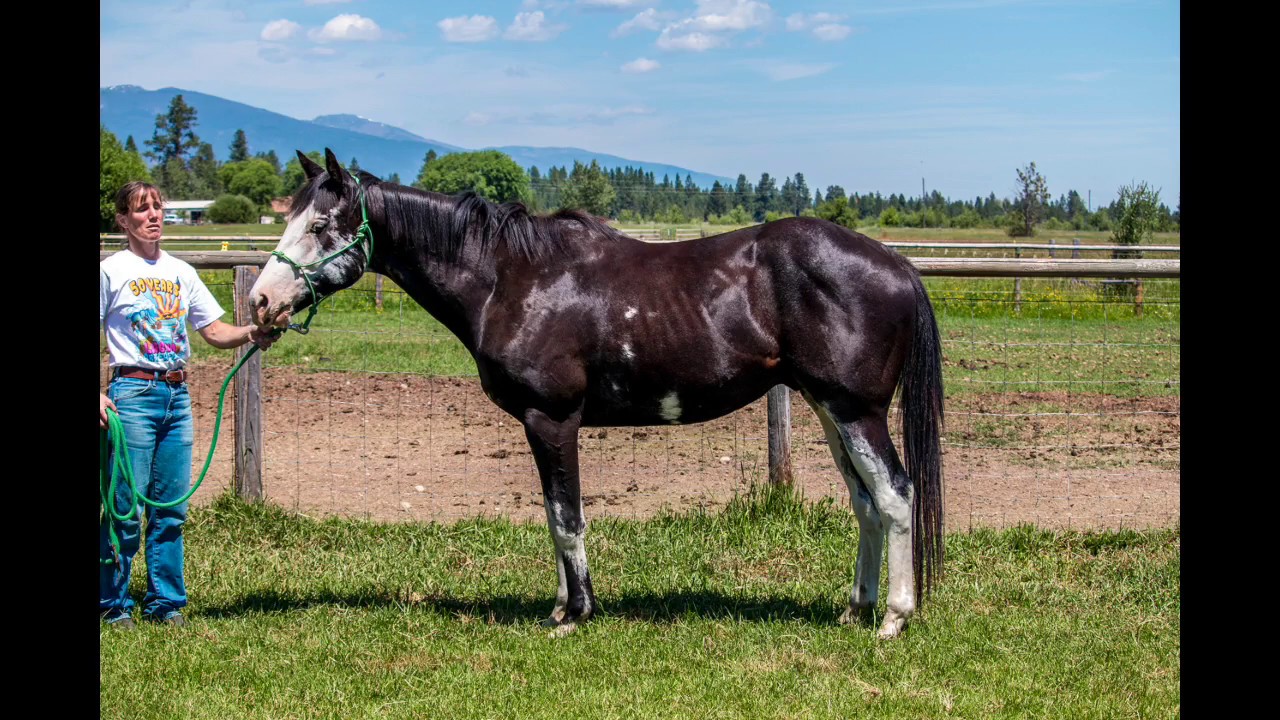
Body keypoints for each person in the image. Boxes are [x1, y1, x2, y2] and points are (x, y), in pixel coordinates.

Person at [100, 181, 282, 629]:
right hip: (132, 395)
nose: (153, 216)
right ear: (123, 220)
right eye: (142, 210)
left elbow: (215, 332)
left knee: (171, 508)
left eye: (158, 208)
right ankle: (114, 603)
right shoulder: (110, 271)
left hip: (176, 396)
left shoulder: (182, 271)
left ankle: (166, 603)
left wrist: (253, 333)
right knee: (126, 505)